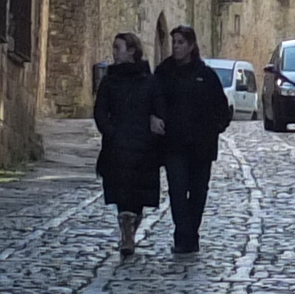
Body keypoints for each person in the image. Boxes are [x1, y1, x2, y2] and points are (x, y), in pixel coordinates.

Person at [151, 24, 234, 255]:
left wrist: (216, 127)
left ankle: (191, 235)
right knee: (177, 191)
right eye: (174, 42)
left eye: (181, 42)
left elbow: (221, 107)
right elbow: (153, 101)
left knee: (198, 192)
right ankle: (182, 235)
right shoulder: (164, 74)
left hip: (201, 145)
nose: (176, 47)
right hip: (173, 144)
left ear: (191, 46)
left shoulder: (205, 75)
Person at [91, 32, 162, 258]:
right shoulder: (110, 81)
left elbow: (158, 109)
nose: (114, 52)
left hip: (143, 149)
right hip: (117, 147)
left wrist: (153, 130)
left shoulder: (149, 82)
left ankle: (129, 234)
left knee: (137, 197)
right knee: (122, 197)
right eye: (114, 48)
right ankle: (127, 237)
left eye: (118, 48)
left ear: (131, 51)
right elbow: (100, 111)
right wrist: (111, 133)